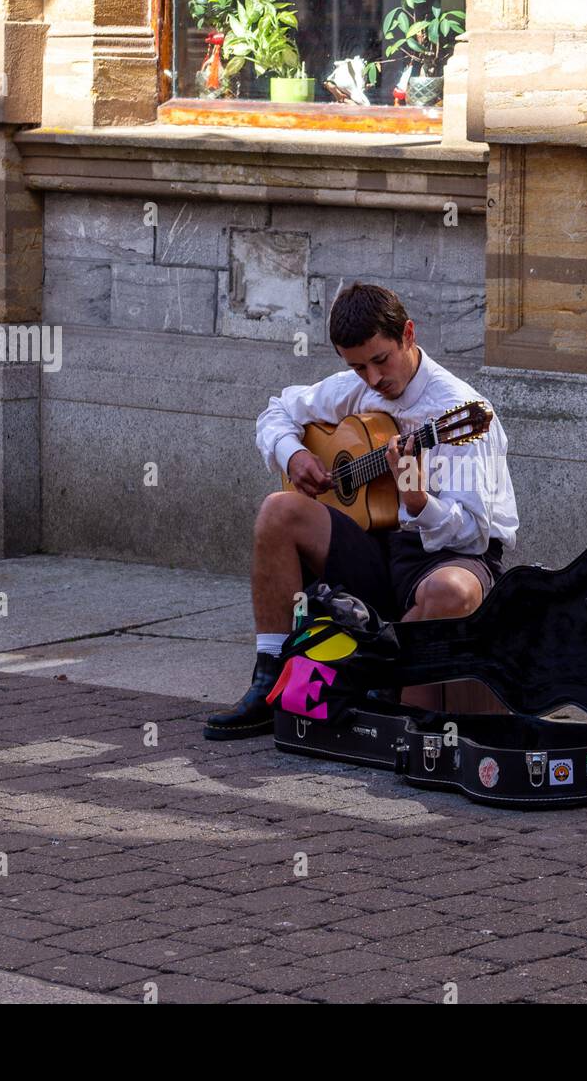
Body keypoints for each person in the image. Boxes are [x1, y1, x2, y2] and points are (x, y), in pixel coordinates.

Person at [204, 282, 520, 739]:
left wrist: (416, 499)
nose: (372, 379)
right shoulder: (356, 387)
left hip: (450, 555)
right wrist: (294, 455)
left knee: (449, 589)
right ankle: (270, 679)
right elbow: (277, 411)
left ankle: (375, 689)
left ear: (408, 335)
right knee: (279, 510)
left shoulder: (460, 411)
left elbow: (472, 532)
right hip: (380, 550)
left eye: (380, 361)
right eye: (357, 366)